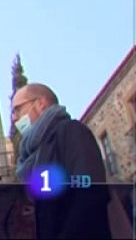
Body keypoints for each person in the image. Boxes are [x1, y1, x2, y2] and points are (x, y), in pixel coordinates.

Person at [12, 83, 111, 238]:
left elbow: (89, 193)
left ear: (40, 103)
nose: (14, 118)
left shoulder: (70, 131)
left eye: (18, 109)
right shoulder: (34, 155)